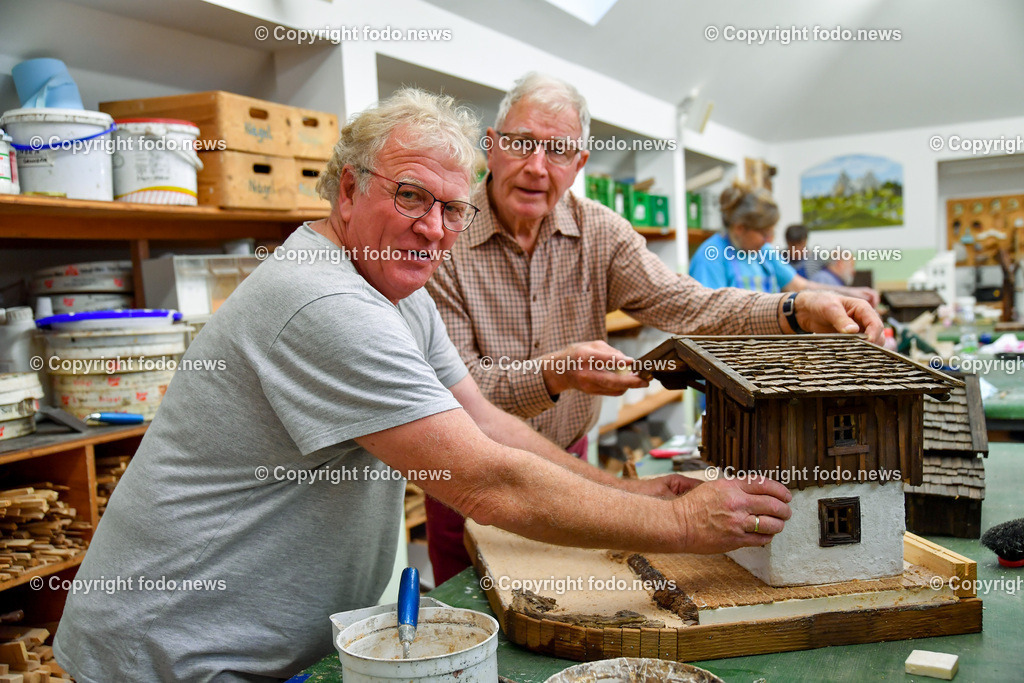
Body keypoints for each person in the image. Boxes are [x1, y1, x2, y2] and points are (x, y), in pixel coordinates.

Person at [52, 89, 795, 683]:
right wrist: (682, 526)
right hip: (176, 651)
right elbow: (486, 482)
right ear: (348, 189)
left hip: (256, 650)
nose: (433, 228)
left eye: (452, 209)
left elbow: (487, 424)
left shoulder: (396, 292)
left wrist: (639, 494)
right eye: (411, 197)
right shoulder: (324, 301)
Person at [424, 72, 883, 585]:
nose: (536, 165)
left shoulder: (600, 232)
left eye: (558, 150)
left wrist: (796, 308)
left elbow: (690, 305)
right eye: (521, 143)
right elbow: (459, 391)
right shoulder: (441, 233)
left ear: (580, 164)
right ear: (491, 146)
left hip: (567, 468)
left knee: (560, 603)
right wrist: (555, 374)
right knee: (467, 619)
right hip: (466, 476)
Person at [690, 182, 880, 307]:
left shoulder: (763, 252)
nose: (770, 240)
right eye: (765, 233)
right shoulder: (711, 257)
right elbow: (707, 316)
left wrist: (851, 294)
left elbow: (799, 285)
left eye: (772, 233)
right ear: (740, 228)